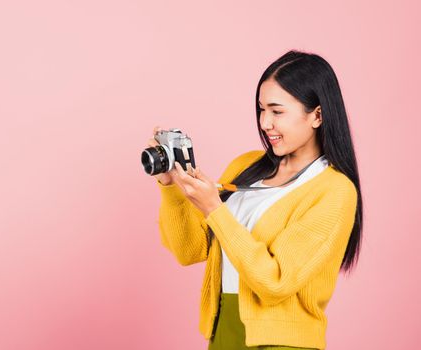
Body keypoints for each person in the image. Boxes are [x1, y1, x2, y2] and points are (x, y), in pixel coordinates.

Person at [147, 50, 363, 350]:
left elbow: (276, 283)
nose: (265, 122)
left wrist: (214, 208)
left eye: (277, 111)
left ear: (317, 115)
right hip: (224, 331)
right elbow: (189, 251)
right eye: (261, 109)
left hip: (282, 343)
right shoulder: (245, 167)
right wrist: (170, 186)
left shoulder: (334, 191)